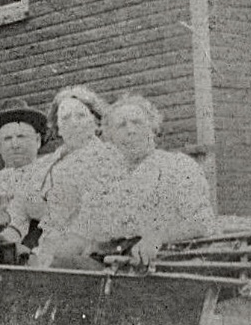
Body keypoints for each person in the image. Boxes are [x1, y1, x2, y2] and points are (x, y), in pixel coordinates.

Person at [66, 93, 216, 264]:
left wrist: (158, 238)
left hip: (158, 262)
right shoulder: (101, 178)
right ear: (110, 137)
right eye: (121, 126)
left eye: (137, 122)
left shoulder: (178, 167)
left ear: (152, 128)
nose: (130, 131)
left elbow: (201, 222)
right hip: (105, 262)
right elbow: (82, 232)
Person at [31, 85, 127, 266]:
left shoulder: (107, 158)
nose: (73, 123)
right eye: (65, 118)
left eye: (80, 116)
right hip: (51, 247)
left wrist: (51, 255)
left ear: (96, 122)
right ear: (58, 128)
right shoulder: (51, 163)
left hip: (92, 253)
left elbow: (93, 219)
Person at [0, 98, 51, 262]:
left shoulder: (50, 173)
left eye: (21, 136)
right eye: (7, 139)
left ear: (37, 140)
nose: (15, 144)